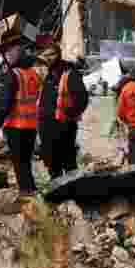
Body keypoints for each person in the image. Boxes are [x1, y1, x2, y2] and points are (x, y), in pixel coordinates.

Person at [0, 38, 41, 194]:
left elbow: (5, 104)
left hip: (16, 126)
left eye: (9, 54)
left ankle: (26, 193)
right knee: (26, 162)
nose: (7, 56)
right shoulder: (33, 74)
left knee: (19, 163)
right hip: (31, 127)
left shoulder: (13, 75)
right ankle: (31, 190)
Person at [33, 35, 88, 179]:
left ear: (58, 54)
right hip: (46, 125)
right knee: (52, 162)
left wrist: (69, 115)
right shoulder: (44, 73)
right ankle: (57, 191)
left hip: (64, 125)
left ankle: (74, 192)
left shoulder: (69, 72)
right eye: (45, 55)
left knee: (69, 162)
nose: (49, 58)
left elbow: (82, 99)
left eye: (52, 54)